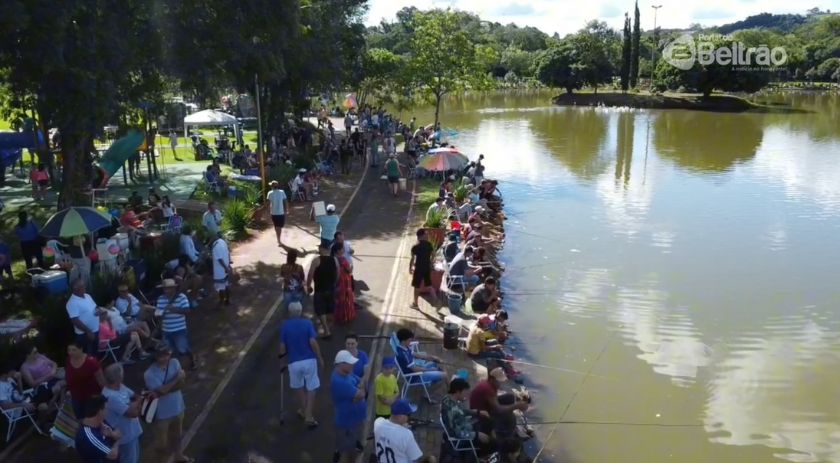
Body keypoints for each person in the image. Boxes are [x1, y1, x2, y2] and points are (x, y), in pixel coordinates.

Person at [279, 301, 324, 428]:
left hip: (293, 362)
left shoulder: (285, 326)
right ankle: (308, 415)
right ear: (300, 311)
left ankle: (304, 411)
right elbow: (312, 342)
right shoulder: (307, 323)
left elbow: (282, 347)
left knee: (298, 387)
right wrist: (320, 357)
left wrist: (282, 363)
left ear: (289, 312)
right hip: (309, 360)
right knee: (311, 387)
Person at [144, 345, 192, 463]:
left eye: (167, 354)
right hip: (161, 414)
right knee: (162, 444)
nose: (165, 358)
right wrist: (176, 380)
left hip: (178, 407)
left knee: (177, 436)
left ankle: (179, 455)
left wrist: (164, 389)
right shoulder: (149, 374)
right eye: (161, 356)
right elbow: (163, 391)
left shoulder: (175, 362)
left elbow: (181, 384)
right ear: (155, 357)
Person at [331, 350, 367, 463]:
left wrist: (359, 390)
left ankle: (352, 444)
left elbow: (360, 381)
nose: (353, 364)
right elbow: (362, 394)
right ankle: (338, 452)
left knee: (353, 436)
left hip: (355, 416)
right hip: (347, 419)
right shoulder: (340, 382)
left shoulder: (347, 372)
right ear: (341, 364)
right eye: (349, 363)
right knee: (348, 448)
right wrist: (360, 390)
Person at [373, 399, 437, 463]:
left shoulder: (378, 423)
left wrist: (401, 426)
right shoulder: (407, 434)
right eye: (408, 415)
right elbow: (415, 457)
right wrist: (404, 429)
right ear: (401, 417)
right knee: (432, 459)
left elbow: (389, 424)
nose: (409, 417)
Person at [101, 364, 142, 463]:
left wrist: (132, 404)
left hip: (133, 432)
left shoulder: (121, 386)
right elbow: (132, 414)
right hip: (125, 438)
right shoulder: (109, 396)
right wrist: (136, 403)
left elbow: (136, 396)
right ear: (119, 378)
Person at [469, 368, 528, 434]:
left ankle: (505, 423)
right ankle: (505, 433)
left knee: (510, 397)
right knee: (511, 417)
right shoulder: (488, 389)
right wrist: (516, 406)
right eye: (499, 381)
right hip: (482, 415)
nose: (501, 383)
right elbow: (498, 409)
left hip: (487, 406)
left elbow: (494, 401)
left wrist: (514, 406)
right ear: (492, 380)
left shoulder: (490, 384)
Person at [441, 377, 491, 451]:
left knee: (487, 422)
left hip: (466, 425)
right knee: (491, 444)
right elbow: (455, 433)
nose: (466, 395)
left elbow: (460, 411)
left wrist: (477, 412)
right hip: (464, 437)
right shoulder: (450, 410)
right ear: (458, 392)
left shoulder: (449, 398)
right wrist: (477, 435)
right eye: (465, 392)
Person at [156, 279, 195, 369]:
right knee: (168, 351)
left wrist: (174, 309)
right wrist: (159, 314)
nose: (166, 291)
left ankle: (192, 360)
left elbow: (187, 310)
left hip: (179, 329)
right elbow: (158, 313)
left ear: (174, 288)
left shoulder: (181, 297)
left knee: (183, 348)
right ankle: (173, 369)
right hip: (166, 330)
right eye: (165, 289)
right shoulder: (160, 299)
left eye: (168, 288)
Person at [66, 340, 105, 419]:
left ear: (81, 349)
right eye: (69, 350)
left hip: (90, 396)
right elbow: (69, 375)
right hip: (75, 395)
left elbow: (101, 380)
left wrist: (104, 394)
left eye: (74, 350)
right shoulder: (68, 359)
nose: (70, 353)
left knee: (90, 417)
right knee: (79, 416)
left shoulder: (92, 362)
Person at [75, 395, 121, 463]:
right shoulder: (89, 436)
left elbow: (118, 432)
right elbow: (113, 455)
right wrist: (117, 441)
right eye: (106, 409)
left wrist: (111, 434)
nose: (107, 412)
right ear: (100, 411)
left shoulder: (101, 422)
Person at [307, 246, 338, 338]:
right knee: (330, 308)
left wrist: (308, 286)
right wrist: (335, 282)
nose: (318, 249)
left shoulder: (316, 260)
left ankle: (326, 330)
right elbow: (338, 272)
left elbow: (310, 274)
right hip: (331, 288)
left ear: (322, 249)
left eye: (320, 248)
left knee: (320, 310)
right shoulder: (334, 260)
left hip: (320, 289)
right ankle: (328, 327)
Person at [67, 279, 102, 354]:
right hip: (85, 334)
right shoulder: (72, 303)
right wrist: (88, 331)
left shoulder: (87, 296)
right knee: (88, 354)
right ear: (75, 288)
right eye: (82, 286)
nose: (85, 287)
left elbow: (94, 307)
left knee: (95, 351)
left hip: (95, 330)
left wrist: (98, 311)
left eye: (84, 285)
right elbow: (75, 320)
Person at [409, 229, 437, 310]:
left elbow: (412, 258)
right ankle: (436, 300)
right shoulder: (429, 244)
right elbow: (433, 254)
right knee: (429, 285)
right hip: (427, 268)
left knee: (416, 286)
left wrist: (410, 268)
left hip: (418, 269)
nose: (427, 235)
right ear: (421, 235)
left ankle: (415, 304)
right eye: (426, 234)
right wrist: (431, 263)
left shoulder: (415, 246)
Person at [332, 243, 355, 325]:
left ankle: (338, 316)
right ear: (338, 251)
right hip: (344, 281)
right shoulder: (343, 259)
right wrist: (351, 266)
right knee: (346, 298)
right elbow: (349, 270)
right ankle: (346, 316)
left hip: (336, 280)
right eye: (342, 249)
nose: (343, 250)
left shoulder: (333, 259)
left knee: (338, 299)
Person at [266, 180, 289, 246]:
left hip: (273, 213)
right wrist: (287, 209)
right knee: (279, 227)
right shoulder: (282, 192)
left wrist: (268, 211)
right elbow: (285, 201)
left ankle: (278, 239)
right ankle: (279, 240)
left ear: (272, 186)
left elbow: (268, 203)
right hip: (281, 213)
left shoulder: (270, 193)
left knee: (276, 226)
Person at [210, 235, 232, 305]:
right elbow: (228, 253)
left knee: (220, 287)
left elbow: (219, 259)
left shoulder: (215, 245)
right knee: (226, 284)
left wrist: (226, 268)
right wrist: (228, 265)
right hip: (226, 266)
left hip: (220, 270)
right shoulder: (223, 241)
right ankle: (227, 300)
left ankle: (221, 302)